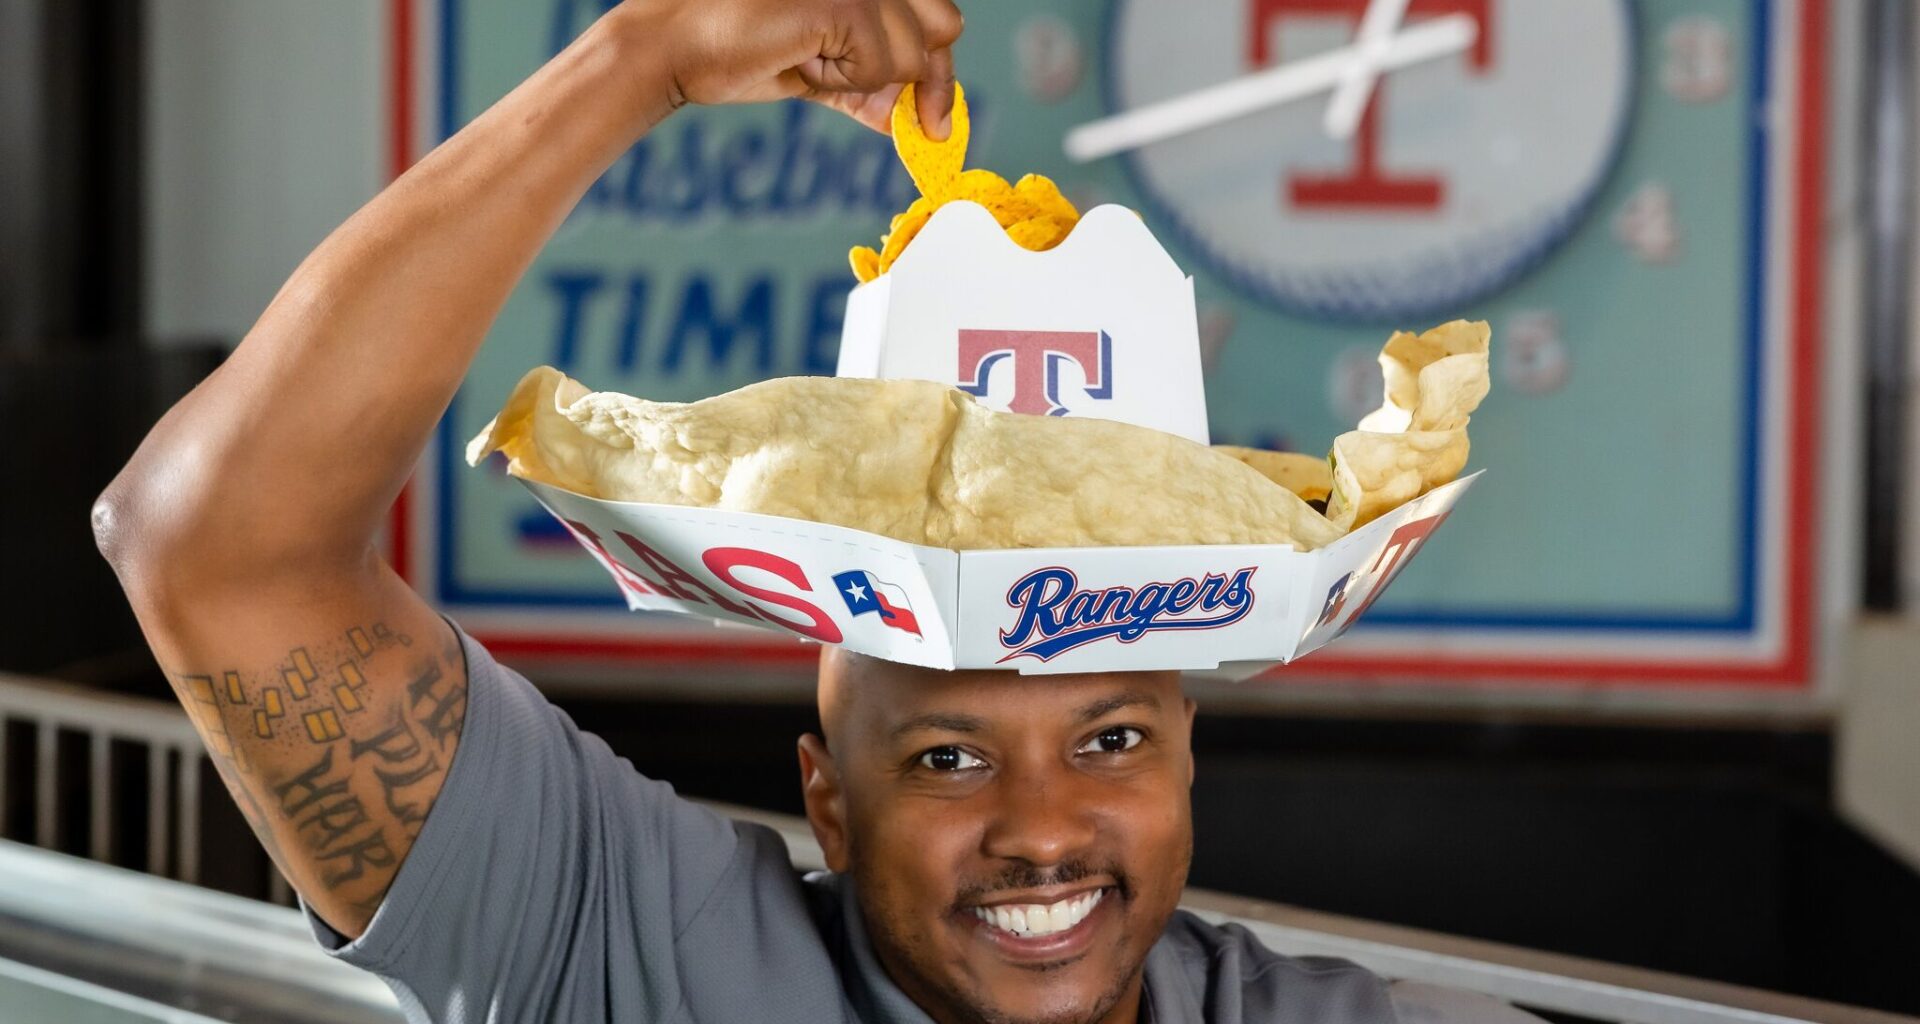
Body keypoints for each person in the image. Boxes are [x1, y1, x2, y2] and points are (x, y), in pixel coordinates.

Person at [92, 1, 1537, 1021]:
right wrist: (640, 58)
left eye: (1111, 738)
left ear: (1186, 760)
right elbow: (213, 547)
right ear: (827, 801)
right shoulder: (638, 958)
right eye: (949, 757)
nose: (1044, 831)